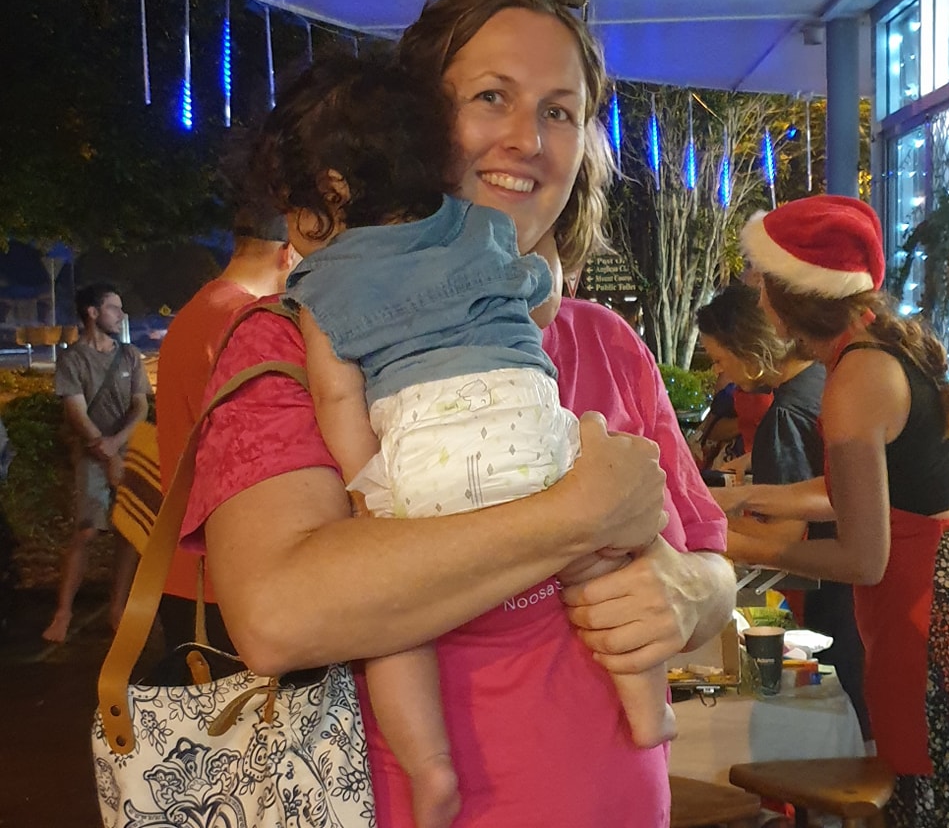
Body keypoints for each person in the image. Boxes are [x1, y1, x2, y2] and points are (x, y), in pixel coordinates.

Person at [181, 0, 735, 828]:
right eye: (491, 97)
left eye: (560, 111)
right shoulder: (291, 338)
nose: (530, 140)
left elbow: (708, 560)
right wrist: (573, 516)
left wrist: (696, 595)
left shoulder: (605, 342)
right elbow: (279, 615)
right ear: (416, 121)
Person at [273, 50, 674, 828]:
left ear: (328, 189)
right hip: (527, 423)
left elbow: (335, 390)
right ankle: (647, 704)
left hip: (422, 454)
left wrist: (369, 479)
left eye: (560, 111)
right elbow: (539, 298)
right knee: (603, 558)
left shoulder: (318, 286)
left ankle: (431, 770)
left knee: (394, 624)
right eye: (493, 97)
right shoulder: (483, 231)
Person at [732, 194, 949, 827]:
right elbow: (859, 494)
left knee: (926, 802)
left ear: (790, 293)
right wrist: (741, 498)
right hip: (932, 589)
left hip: (923, 612)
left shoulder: (854, 378)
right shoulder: (882, 351)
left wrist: (736, 543)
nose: (756, 292)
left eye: (760, 278)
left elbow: (862, 554)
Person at [697, 283, 870, 739]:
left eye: (719, 360)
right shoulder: (821, 381)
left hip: (836, 607)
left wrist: (710, 535)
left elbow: (784, 540)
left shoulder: (786, 415)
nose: (724, 376)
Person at [155, 205, 300, 655]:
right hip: (226, 581)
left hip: (184, 571)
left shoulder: (196, 312)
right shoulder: (247, 324)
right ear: (287, 253)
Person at [42, 282, 150, 643]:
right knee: (86, 531)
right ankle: (63, 612)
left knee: (128, 534)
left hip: (127, 453)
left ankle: (117, 610)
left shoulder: (130, 355)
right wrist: (104, 452)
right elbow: (76, 413)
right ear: (92, 312)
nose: (121, 316)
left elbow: (141, 406)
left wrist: (117, 447)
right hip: (92, 456)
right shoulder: (72, 359)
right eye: (114, 308)